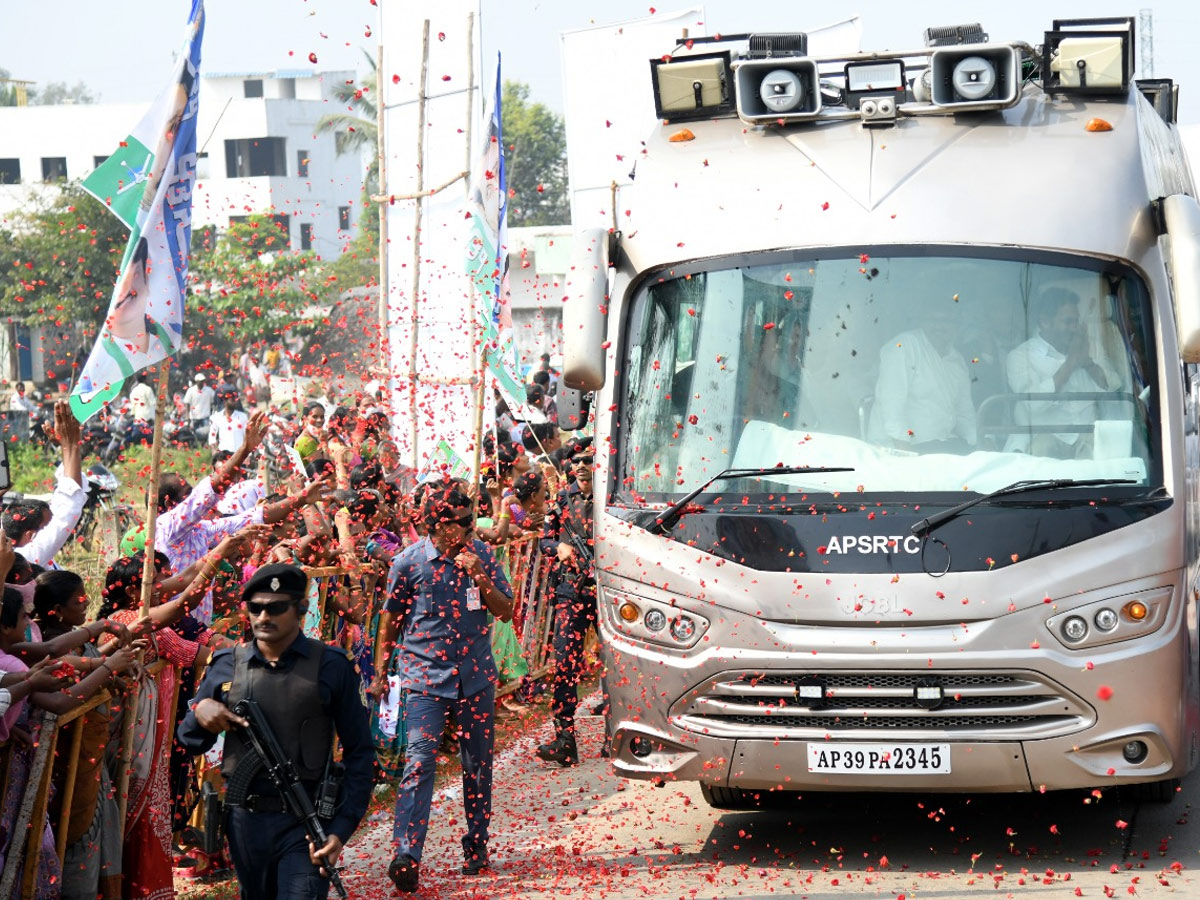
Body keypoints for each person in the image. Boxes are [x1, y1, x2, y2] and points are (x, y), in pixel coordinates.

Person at [177, 564, 374, 900]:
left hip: (305, 823)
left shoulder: (332, 666)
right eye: (256, 607)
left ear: (301, 609)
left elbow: (360, 753)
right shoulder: (227, 664)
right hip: (245, 823)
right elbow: (190, 739)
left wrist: (339, 831)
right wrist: (201, 711)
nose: (263, 616)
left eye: (276, 607)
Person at [373, 487, 514, 892]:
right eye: (465, 523)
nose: (473, 529)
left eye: (474, 521)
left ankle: (476, 845)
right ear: (440, 524)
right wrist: (381, 672)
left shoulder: (482, 555)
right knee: (419, 762)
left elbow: (505, 610)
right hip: (423, 679)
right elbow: (390, 620)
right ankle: (406, 855)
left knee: (477, 763)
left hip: (475, 677)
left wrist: (480, 577)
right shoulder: (408, 563)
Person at [536, 450, 597, 766]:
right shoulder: (560, 500)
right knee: (564, 662)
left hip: (605, 590)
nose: (582, 466)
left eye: (589, 459)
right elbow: (544, 540)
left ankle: (626, 732)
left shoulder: (609, 496)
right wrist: (557, 546)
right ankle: (564, 738)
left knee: (618, 661)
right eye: (577, 461)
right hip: (570, 591)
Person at [1006, 287, 1119, 457]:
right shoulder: (1020, 356)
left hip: (1087, 439)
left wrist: (1088, 363)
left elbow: (1113, 386)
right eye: (1067, 322)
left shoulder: (1089, 346)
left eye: (1076, 321)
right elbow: (1033, 404)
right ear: (1045, 322)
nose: (1074, 328)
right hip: (1042, 439)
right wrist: (1071, 363)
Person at [868, 304, 977, 452]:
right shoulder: (905, 345)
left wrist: (977, 443)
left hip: (941, 445)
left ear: (957, 325)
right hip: (901, 447)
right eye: (933, 320)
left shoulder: (957, 360)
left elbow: (964, 412)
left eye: (947, 321)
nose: (939, 326)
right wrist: (904, 451)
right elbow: (891, 403)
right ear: (922, 322)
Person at [5, 402, 87, 568]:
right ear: (30, 535)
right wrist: (70, 447)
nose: (50, 528)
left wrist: (65, 451)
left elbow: (67, 498)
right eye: (45, 526)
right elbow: (68, 507)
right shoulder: (23, 559)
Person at [208, 387, 250, 454]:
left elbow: (247, 436)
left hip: (239, 455)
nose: (235, 402)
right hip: (224, 456)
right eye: (232, 400)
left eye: (236, 400)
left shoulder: (242, 416)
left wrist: (248, 454)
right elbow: (212, 437)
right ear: (225, 401)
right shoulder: (216, 417)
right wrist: (214, 451)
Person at [183, 373, 215, 439]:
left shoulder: (209, 390)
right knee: (195, 434)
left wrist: (213, 413)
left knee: (206, 434)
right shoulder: (191, 391)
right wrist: (187, 417)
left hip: (205, 416)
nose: (202, 383)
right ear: (196, 381)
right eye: (200, 381)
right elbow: (187, 404)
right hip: (194, 417)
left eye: (203, 381)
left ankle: (205, 445)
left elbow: (213, 401)